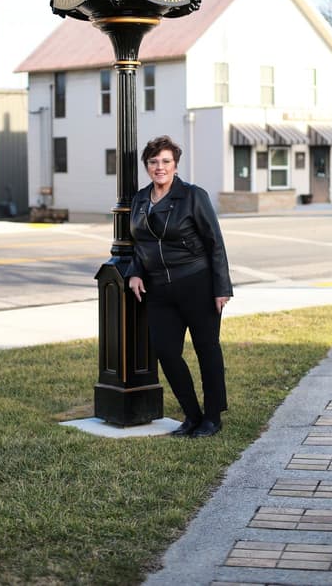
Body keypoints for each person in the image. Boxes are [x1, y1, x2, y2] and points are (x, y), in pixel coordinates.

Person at [126, 135, 232, 438]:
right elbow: (139, 243)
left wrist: (221, 288)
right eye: (154, 162)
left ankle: (212, 417)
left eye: (166, 161)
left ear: (175, 165)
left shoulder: (192, 196)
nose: (159, 167)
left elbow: (215, 242)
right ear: (147, 165)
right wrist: (135, 272)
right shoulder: (140, 200)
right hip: (159, 289)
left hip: (197, 283)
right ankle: (192, 415)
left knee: (207, 350)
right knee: (166, 352)